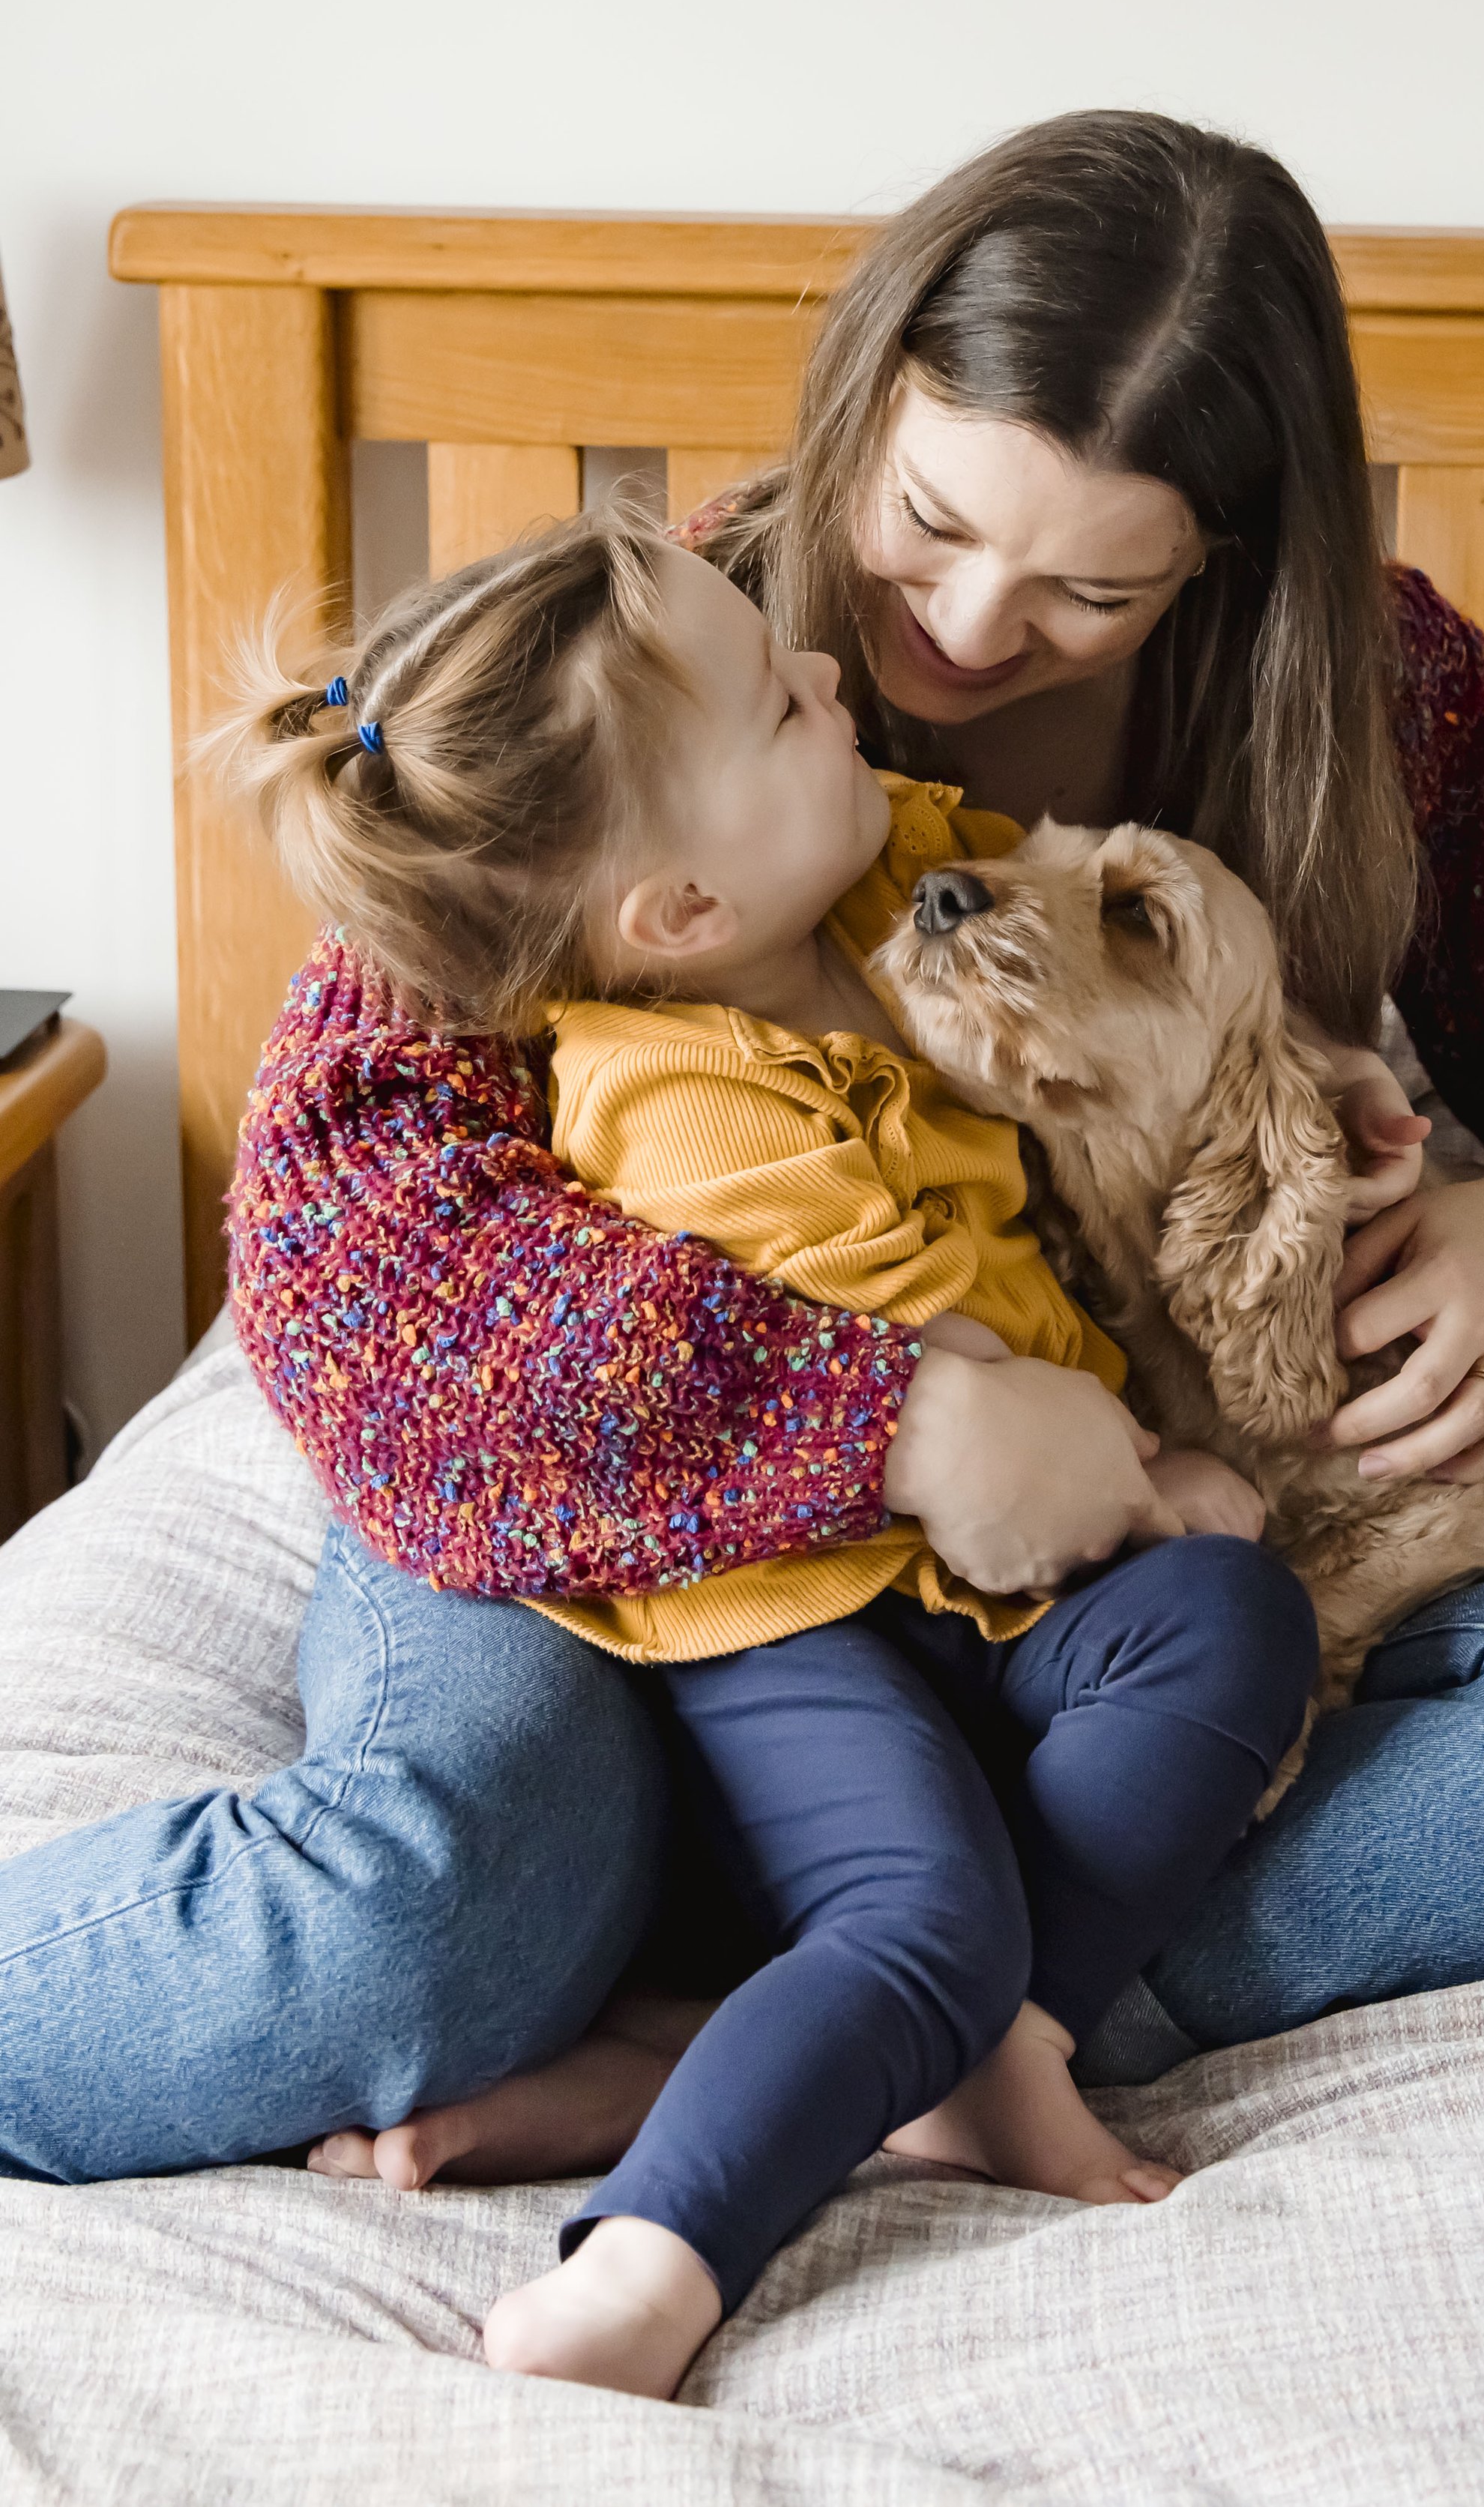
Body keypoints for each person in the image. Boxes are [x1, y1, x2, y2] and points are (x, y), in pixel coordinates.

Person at [0, 112, 1484, 2195]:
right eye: (929, 519)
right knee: (431, 1891)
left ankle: (799, 2022)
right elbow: (353, 1233)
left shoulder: (1371, 700)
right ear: (865, 394)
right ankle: (908, 1989)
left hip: (1095, 1607)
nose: (958, 625)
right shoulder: (643, 665)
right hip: (635, 1517)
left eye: (1089, 584)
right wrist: (892, 1420)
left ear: (1222, 557)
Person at [217, 504, 1322, 2395]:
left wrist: (1291, 1073)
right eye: (783, 704)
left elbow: (1029, 902)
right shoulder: (673, 1090)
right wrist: (1129, 1460)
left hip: (975, 1591)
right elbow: (908, 1348)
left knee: (1235, 1626)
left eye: (1098, 579)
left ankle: (990, 2042)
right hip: (780, 1600)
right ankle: (651, 2264)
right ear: (677, 915)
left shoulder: (863, 904)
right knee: (921, 1914)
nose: (840, 673)